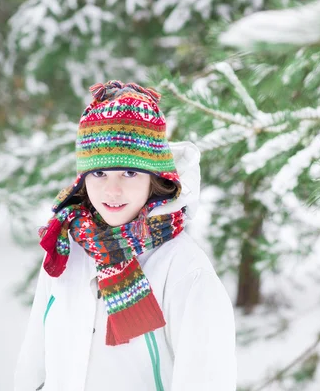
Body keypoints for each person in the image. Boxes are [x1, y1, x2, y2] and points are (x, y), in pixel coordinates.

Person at [14, 80, 236, 391]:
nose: (112, 189)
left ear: (154, 177)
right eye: (99, 172)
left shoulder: (186, 270)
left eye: (130, 172)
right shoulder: (66, 250)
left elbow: (206, 381)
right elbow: (34, 366)